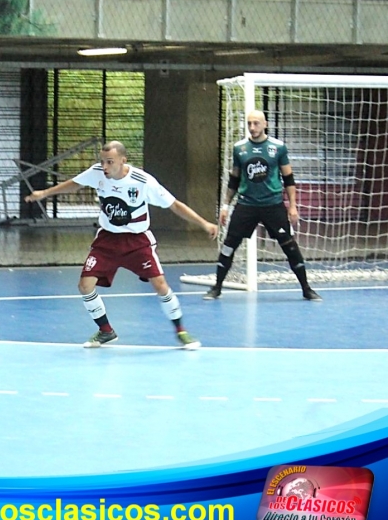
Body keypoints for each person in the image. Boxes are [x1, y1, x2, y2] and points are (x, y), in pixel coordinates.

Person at [25, 141, 218, 349]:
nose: (105, 167)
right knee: (84, 285)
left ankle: (181, 331)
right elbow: (75, 183)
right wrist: (44, 193)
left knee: (161, 285)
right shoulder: (97, 173)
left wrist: (203, 223)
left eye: (110, 162)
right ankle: (105, 331)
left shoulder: (142, 181)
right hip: (107, 240)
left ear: (123, 161)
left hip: (137, 241)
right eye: (102, 162)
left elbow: (174, 205)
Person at [203, 110, 322, 302]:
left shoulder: (278, 147)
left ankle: (306, 289)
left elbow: (289, 178)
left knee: (290, 247)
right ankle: (216, 287)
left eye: (256, 123)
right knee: (228, 246)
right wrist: (225, 206)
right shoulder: (239, 148)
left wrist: (292, 206)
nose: (252, 127)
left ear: (265, 124)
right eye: (249, 123)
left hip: (273, 206)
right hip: (246, 205)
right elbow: (234, 179)